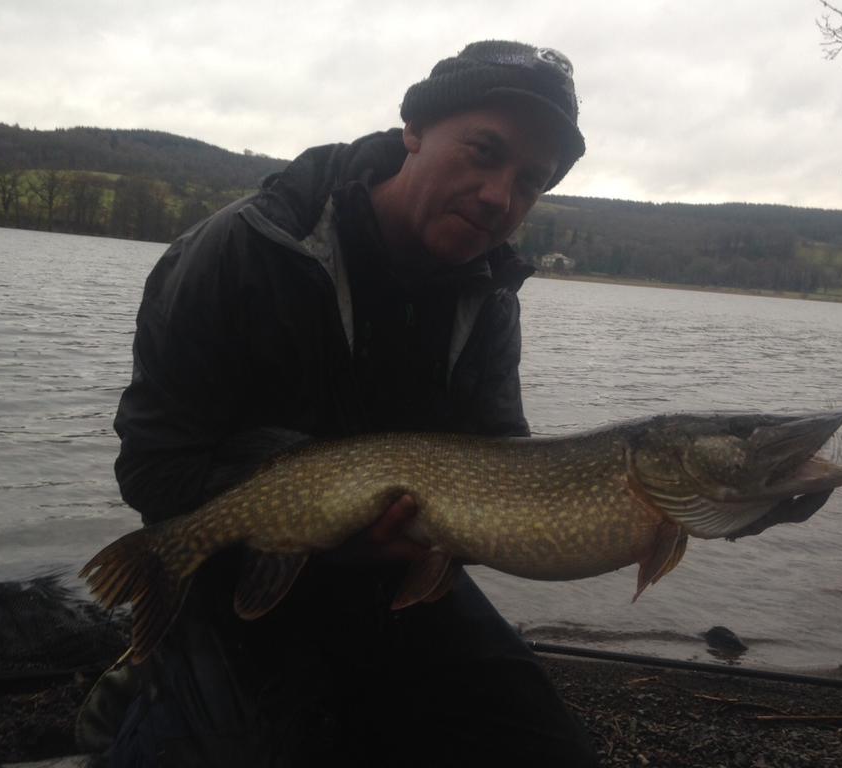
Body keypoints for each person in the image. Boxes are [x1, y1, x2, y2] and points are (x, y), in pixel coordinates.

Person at [96, 40, 597, 767]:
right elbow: (154, 474)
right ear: (415, 130)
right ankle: (138, 688)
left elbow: (504, 459)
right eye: (484, 152)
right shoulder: (240, 250)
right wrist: (307, 513)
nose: (500, 195)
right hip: (237, 569)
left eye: (531, 180)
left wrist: (725, 504)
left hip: (401, 581)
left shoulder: (489, 295)